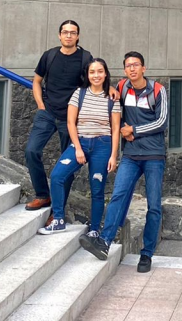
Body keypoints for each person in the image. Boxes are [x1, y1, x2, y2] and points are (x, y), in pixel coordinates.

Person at [79, 51, 167, 273]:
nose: (132, 69)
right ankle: (105, 241)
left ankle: (146, 254)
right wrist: (110, 88)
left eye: (136, 65)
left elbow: (162, 121)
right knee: (118, 195)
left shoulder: (157, 90)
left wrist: (133, 130)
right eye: (128, 66)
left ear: (143, 68)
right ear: (125, 70)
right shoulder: (122, 88)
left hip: (154, 156)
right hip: (130, 155)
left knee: (154, 206)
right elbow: (109, 95)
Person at [38, 58, 121, 236]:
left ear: (105, 73)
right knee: (58, 175)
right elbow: (70, 122)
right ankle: (58, 219)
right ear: (87, 74)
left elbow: (115, 129)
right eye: (92, 72)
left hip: (103, 145)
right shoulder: (79, 94)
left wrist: (114, 155)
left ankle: (94, 230)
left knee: (97, 188)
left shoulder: (113, 98)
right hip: (80, 142)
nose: (96, 75)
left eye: (100, 71)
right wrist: (77, 148)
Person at [24, 21, 93, 217]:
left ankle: (57, 209)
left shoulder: (86, 58)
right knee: (31, 151)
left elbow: (96, 82)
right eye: (65, 32)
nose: (69, 36)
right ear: (59, 35)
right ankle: (42, 195)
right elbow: (37, 81)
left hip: (71, 118)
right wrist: (40, 104)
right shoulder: (50, 55)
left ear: (78, 36)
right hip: (47, 113)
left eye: (73, 33)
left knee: (67, 163)